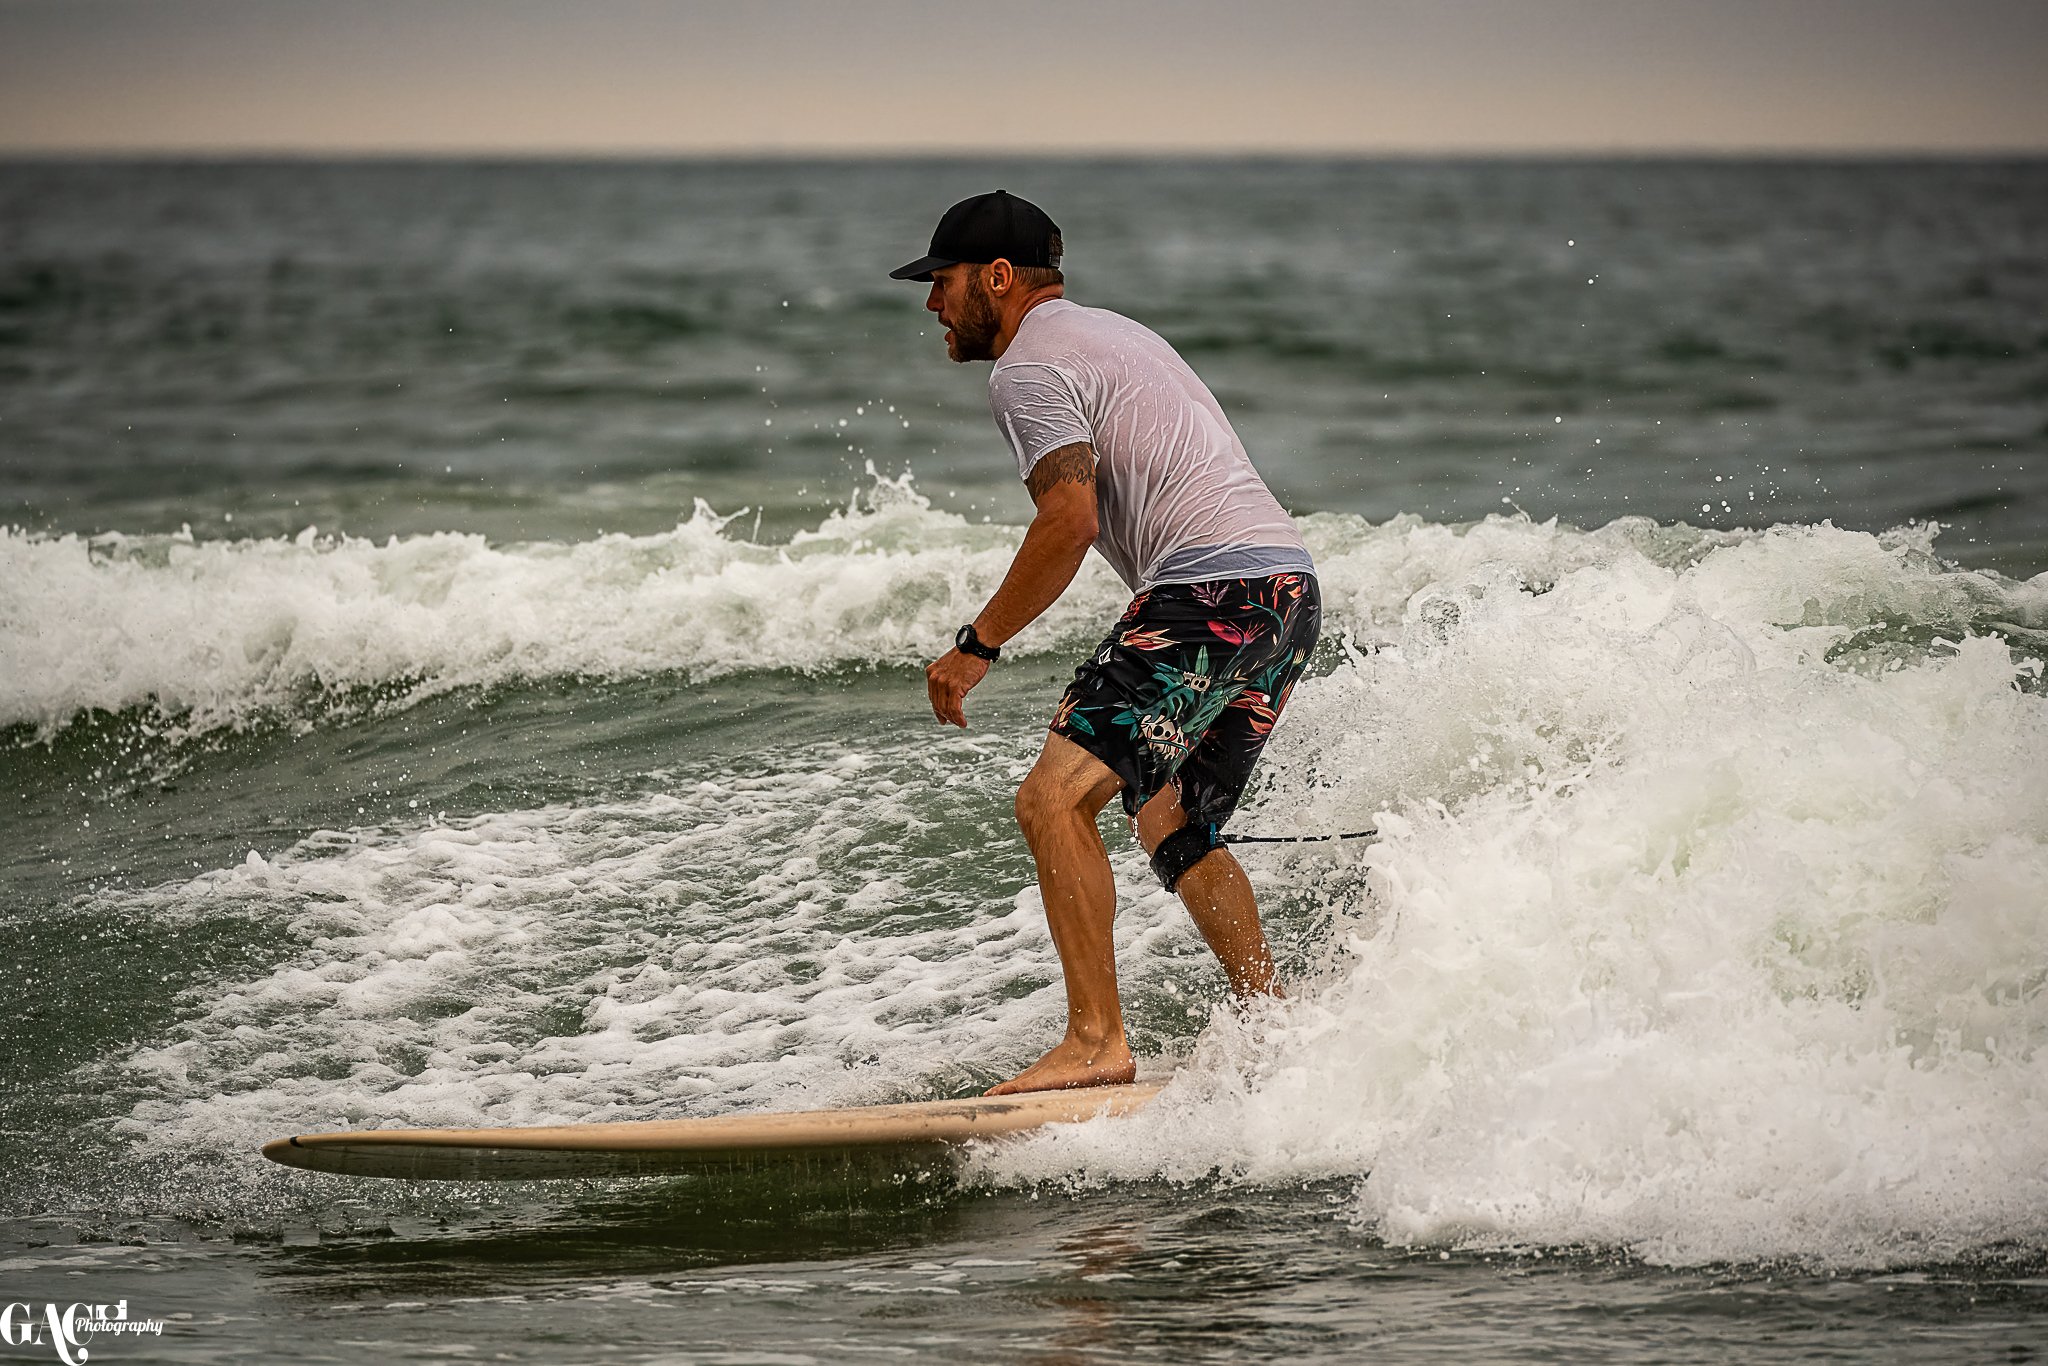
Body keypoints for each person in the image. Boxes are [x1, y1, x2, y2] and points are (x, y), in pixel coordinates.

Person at [893, 190, 1321, 1096]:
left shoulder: (1026, 368)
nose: (933, 303)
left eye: (943, 281)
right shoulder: (1116, 332)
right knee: (1172, 822)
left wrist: (979, 644)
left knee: (1051, 803)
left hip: (1211, 589)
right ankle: (1276, 1027)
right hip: (1285, 590)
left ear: (998, 279)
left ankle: (1095, 1042)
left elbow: (1070, 518)